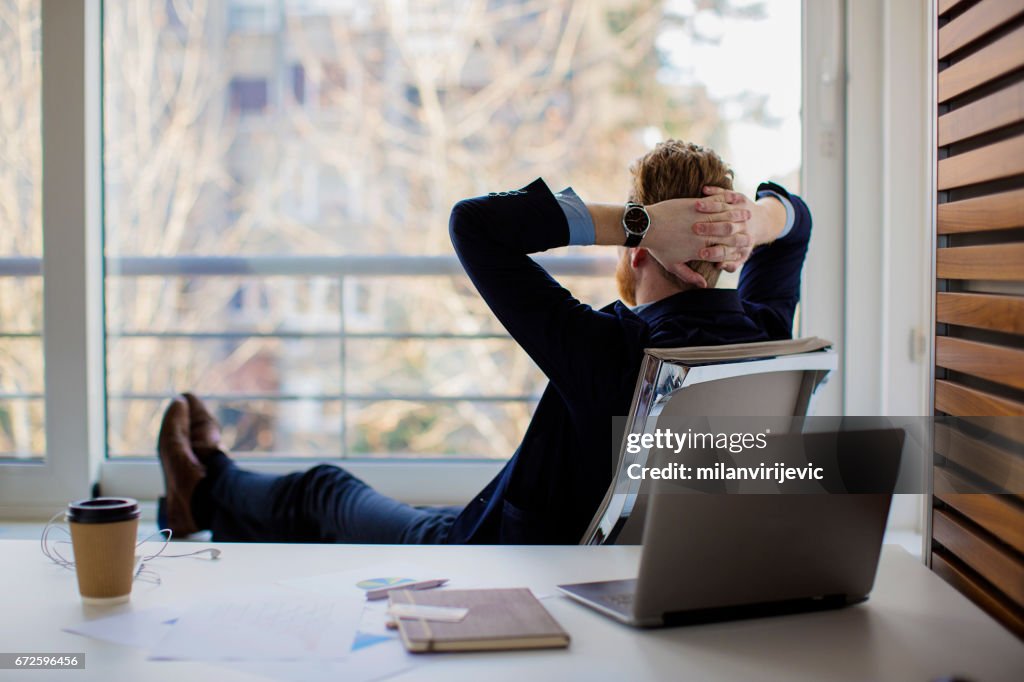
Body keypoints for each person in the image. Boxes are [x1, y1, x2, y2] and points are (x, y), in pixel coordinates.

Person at [157, 140, 810, 544]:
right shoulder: (763, 332)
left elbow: (475, 225)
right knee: (396, 506)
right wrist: (755, 218)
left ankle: (203, 489)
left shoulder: (607, 349)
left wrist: (635, 221)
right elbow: (796, 218)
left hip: (488, 560)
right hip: (612, 563)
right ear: (732, 248)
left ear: (641, 252)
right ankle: (205, 502)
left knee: (328, 493)